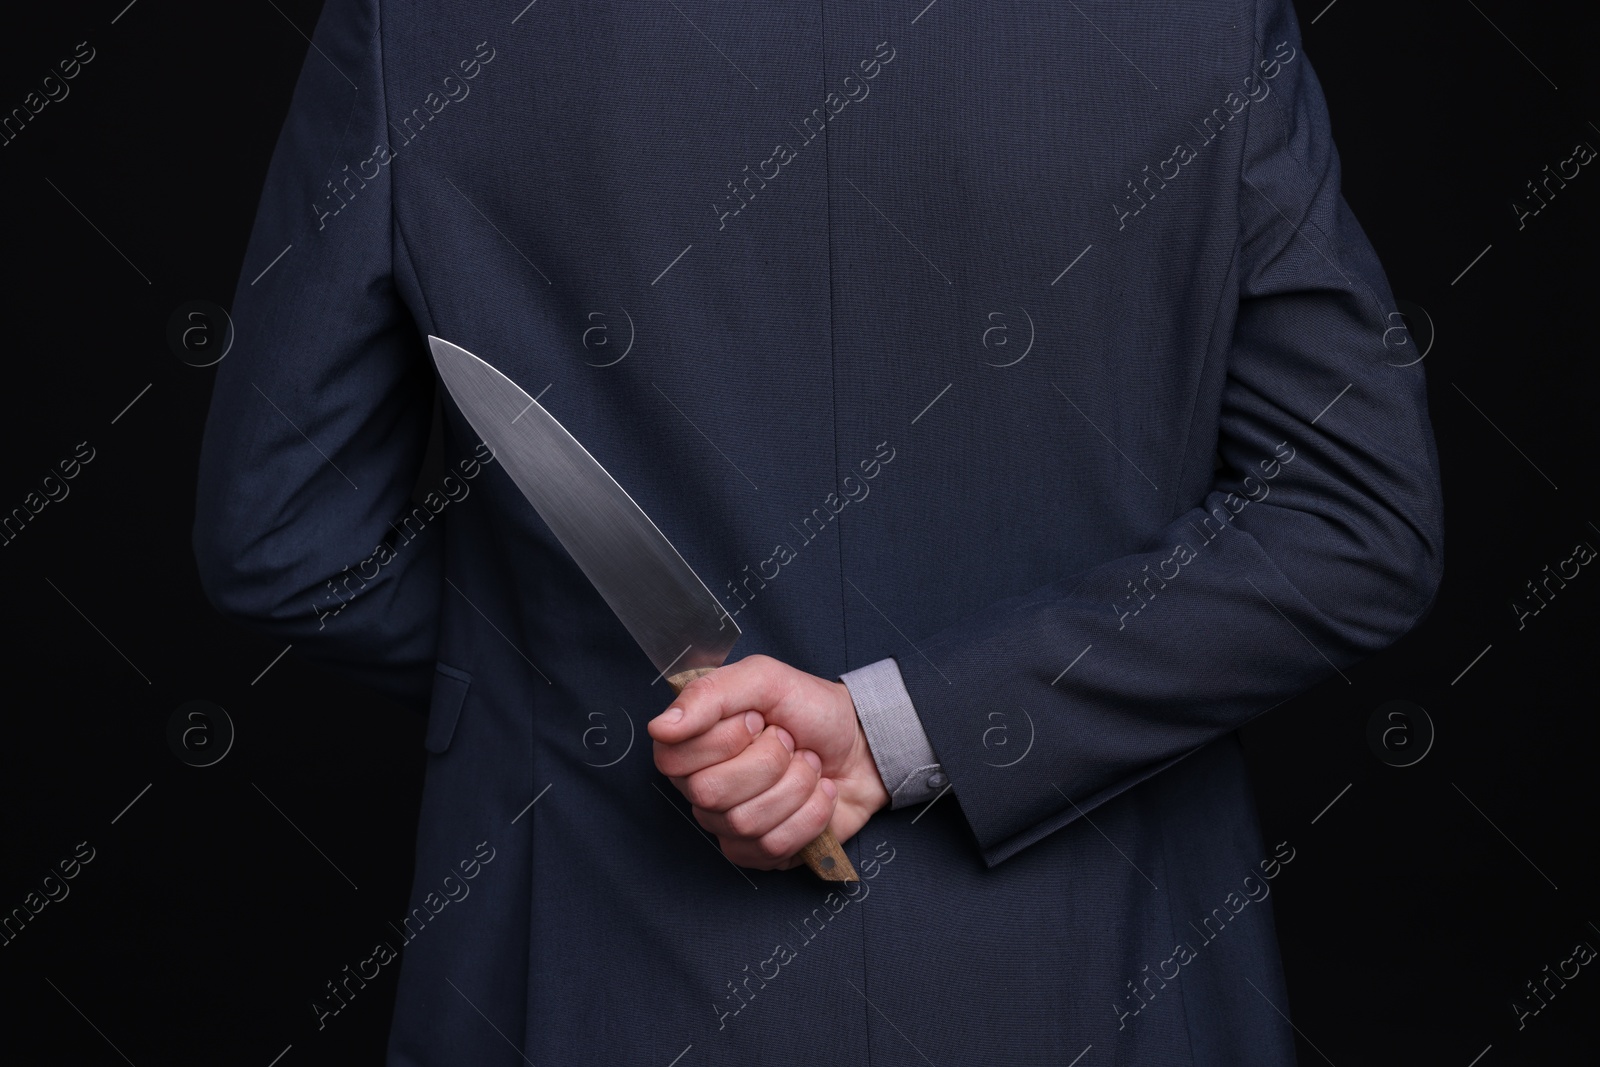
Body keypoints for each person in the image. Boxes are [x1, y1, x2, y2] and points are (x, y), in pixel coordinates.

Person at [194, 0, 1443, 1063]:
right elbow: (1355, 518)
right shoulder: (1194, 22)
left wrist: (604, 704)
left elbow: (286, 539)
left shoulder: (427, 25)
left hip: (594, 987)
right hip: (1102, 987)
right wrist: (912, 726)